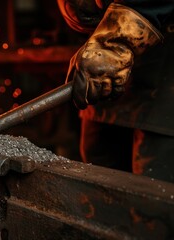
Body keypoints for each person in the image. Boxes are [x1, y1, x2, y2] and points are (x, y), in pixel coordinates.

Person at [57, 0, 174, 182]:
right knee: (98, 189)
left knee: (152, 194)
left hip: (165, 84)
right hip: (107, 80)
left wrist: (113, 44)